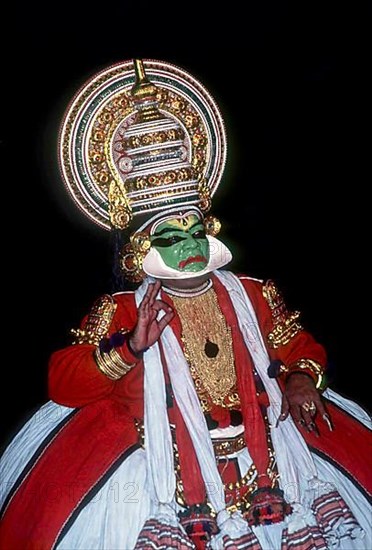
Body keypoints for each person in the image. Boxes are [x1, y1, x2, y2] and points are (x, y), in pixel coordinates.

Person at [0, 59, 370, 550]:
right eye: (172, 236)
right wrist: (130, 347)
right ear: (141, 249)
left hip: (272, 458)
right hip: (159, 470)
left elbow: (302, 346)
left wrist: (301, 378)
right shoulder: (121, 310)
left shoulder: (254, 293)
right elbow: (62, 383)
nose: (191, 246)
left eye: (197, 231)